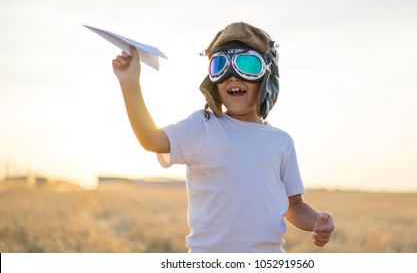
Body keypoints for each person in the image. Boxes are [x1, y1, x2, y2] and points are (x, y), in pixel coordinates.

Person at [112, 22, 334, 253]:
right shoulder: (202, 127)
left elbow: (294, 206)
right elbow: (151, 139)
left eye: (247, 64)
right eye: (220, 65)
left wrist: (316, 221)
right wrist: (130, 84)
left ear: (267, 77)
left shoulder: (281, 142)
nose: (232, 76)